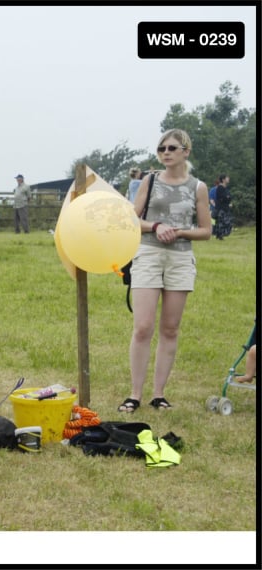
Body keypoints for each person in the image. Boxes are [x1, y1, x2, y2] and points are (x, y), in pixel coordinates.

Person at [118, 128, 211, 413]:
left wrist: (179, 232)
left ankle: (159, 394)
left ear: (186, 151)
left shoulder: (198, 187)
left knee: (170, 329)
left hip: (180, 260)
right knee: (143, 327)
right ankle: (134, 394)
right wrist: (157, 226)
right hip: (148, 253)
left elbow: (206, 231)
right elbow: (131, 218)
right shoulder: (150, 180)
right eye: (162, 149)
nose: (166, 153)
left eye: (172, 148)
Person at [213, 174, 232, 240]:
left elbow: (229, 197)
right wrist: (227, 198)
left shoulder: (225, 188)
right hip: (221, 208)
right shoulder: (220, 188)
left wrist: (228, 199)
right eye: (227, 178)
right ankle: (220, 235)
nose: (228, 179)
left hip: (226, 207)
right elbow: (222, 197)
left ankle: (219, 235)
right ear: (223, 180)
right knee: (221, 222)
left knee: (225, 222)